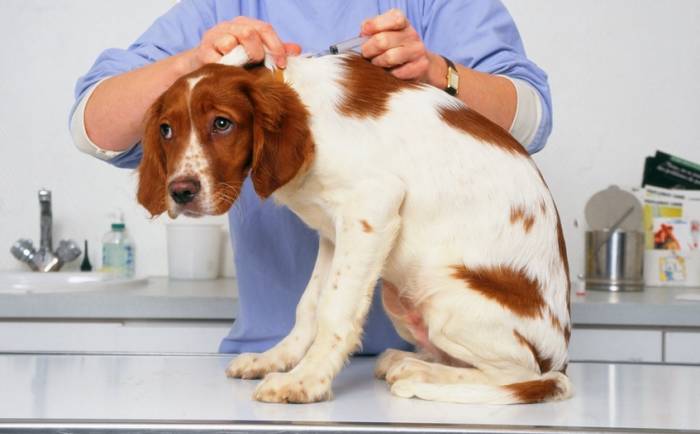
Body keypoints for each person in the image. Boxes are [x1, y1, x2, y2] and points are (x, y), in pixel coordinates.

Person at [70, 1, 552, 355]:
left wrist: (438, 73)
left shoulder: (435, 5)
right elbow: (92, 125)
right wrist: (192, 66)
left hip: (430, 353)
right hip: (272, 353)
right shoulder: (225, 7)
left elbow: (531, 119)